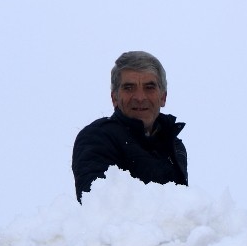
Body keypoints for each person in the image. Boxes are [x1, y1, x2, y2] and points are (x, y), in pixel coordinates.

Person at [71, 51, 188, 202]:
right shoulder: (97, 138)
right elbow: (98, 204)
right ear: (114, 98)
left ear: (163, 97)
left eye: (149, 87)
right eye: (129, 87)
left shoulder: (174, 146)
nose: (140, 97)